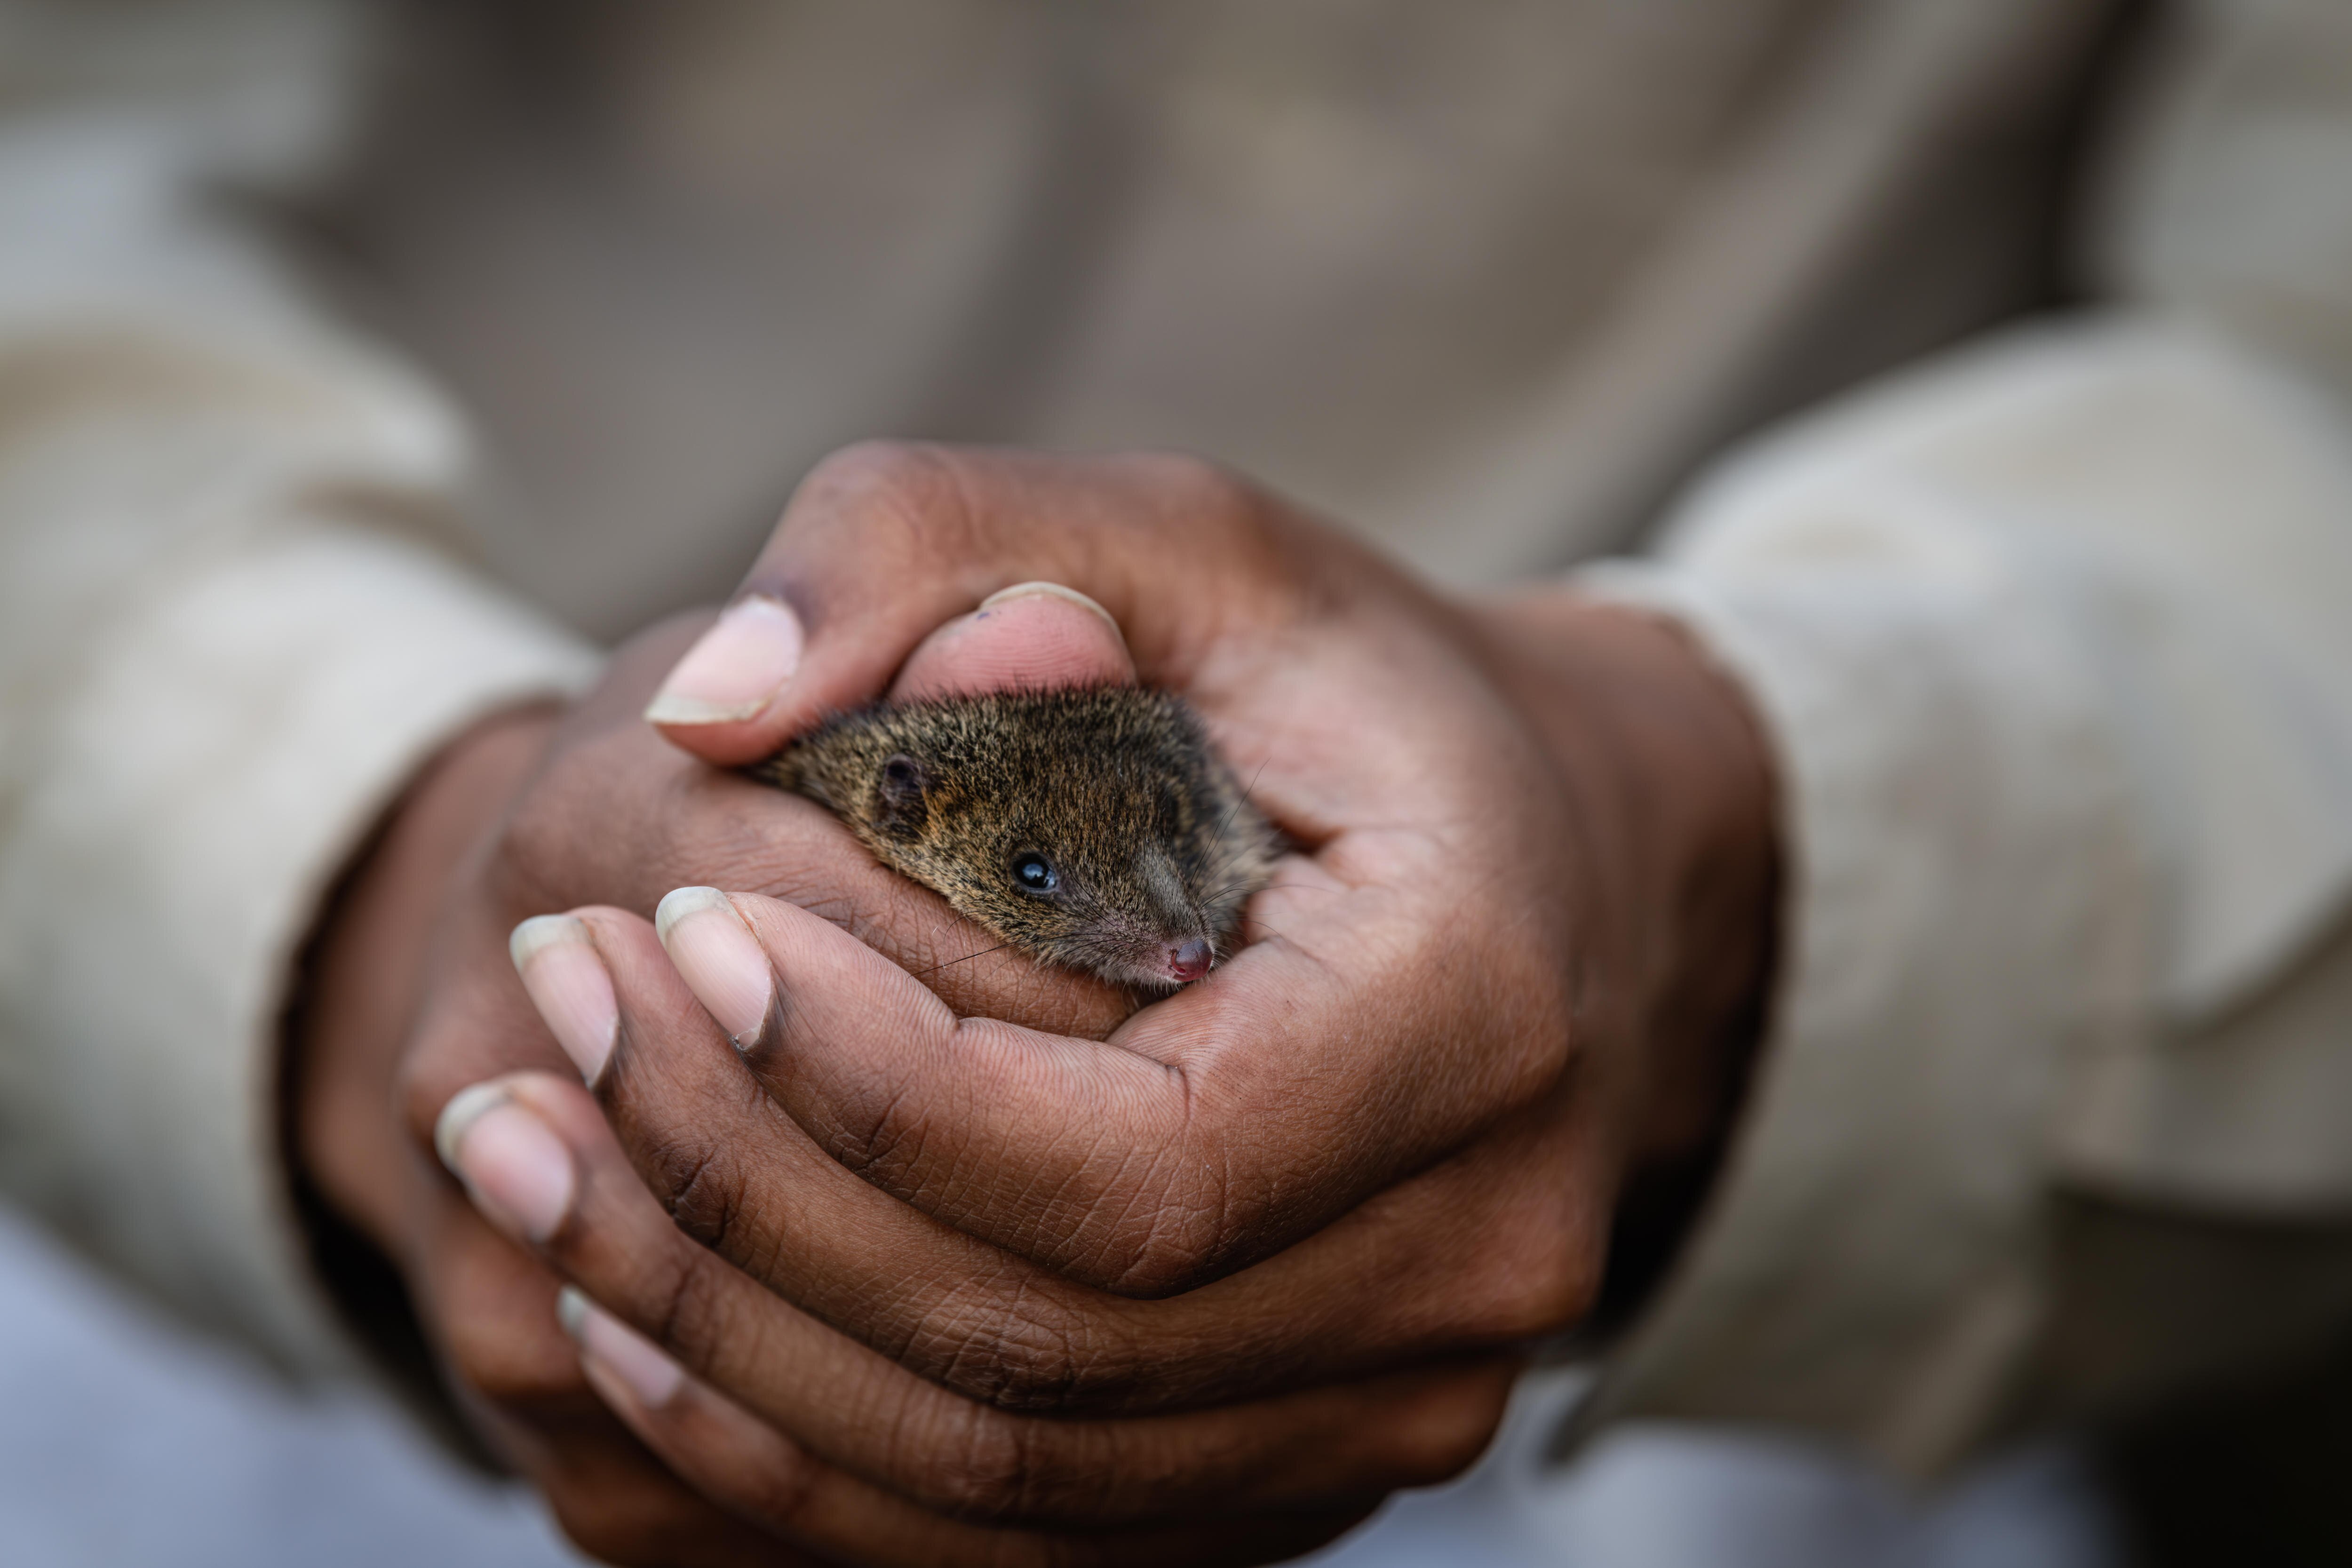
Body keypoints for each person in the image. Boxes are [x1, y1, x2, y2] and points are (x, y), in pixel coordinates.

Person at [4, 0, 2352, 1562]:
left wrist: (1683, 859)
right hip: (185, 1237)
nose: (1164, 953)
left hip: (1718, 1327)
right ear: (920, 830)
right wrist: (335, 862)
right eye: (1052, 881)